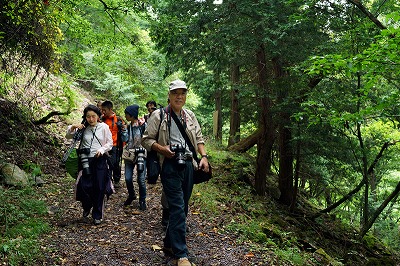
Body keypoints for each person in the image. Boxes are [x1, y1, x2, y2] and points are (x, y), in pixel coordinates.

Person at [142, 80, 209, 266]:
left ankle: (169, 244)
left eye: (182, 93)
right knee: (178, 207)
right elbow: (146, 140)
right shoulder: (159, 115)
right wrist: (162, 149)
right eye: (175, 93)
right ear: (169, 96)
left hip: (188, 164)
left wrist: (203, 157)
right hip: (170, 165)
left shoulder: (190, 116)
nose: (179, 96)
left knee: (183, 206)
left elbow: (200, 138)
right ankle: (181, 255)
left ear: (185, 96)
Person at [66, 104, 113, 225]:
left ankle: (97, 215)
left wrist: (102, 150)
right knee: (83, 185)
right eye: (88, 117)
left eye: (93, 116)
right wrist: (73, 126)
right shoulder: (83, 128)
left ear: (98, 116)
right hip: (85, 159)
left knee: (99, 187)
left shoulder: (104, 127)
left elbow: (110, 143)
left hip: (100, 160)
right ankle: (87, 205)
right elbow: (68, 136)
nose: (91, 119)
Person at [121, 104, 147, 210]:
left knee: (141, 179)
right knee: (127, 178)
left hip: (141, 154)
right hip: (129, 154)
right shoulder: (128, 126)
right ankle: (132, 195)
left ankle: (142, 200)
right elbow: (125, 139)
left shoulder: (143, 125)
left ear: (131, 115)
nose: (125, 116)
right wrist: (124, 130)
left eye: (126, 114)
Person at [100, 100, 124, 187]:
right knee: (107, 163)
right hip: (104, 145)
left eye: (104, 110)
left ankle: (116, 180)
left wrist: (122, 145)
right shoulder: (102, 119)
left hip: (115, 145)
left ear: (110, 109)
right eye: (102, 110)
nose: (103, 112)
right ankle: (108, 180)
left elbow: (124, 132)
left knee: (115, 163)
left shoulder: (118, 119)